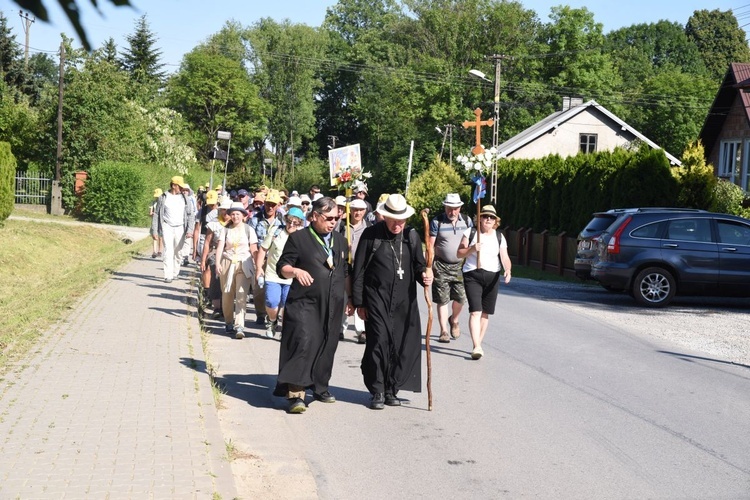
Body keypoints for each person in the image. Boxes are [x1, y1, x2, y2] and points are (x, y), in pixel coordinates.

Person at [352, 194, 433, 410]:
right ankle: (377, 389)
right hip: (376, 299)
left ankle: (391, 389)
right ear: (384, 217)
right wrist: (359, 302)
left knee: (400, 344)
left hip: (404, 302)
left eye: (402, 220)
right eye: (393, 220)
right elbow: (358, 270)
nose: (398, 225)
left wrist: (424, 275)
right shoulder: (371, 235)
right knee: (378, 342)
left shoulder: (411, 236)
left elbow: (418, 265)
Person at [273, 197, 352, 414]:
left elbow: (345, 272)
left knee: (327, 343)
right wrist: (296, 271)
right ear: (315, 216)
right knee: (303, 341)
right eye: (328, 218)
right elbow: (283, 266)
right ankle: (296, 394)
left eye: (336, 218)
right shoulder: (299, 238)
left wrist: (352, 298)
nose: (333, 222)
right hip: (305, 302)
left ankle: (320, 386)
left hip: (333, 302)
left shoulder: (340, 240)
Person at [456, 205, 512, 360]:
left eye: (492, 217)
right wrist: (472, 248)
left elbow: (505, 257)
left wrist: (508, 270)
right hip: (472, 274)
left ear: (496, 221)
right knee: (475, 311)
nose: (488, 219)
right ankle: (476, 345)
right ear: (479, 218)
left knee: (485, 313)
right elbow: (459, 253)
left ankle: (478, 344)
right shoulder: (470, 232)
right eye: (485, 216)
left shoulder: (499, 237)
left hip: (492, 276)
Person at [429, 193, 473, 343]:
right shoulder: (437, 221)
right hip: (441, 266)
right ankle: (444, 331)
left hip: (461, 266)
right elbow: (430, 245)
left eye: (455, 208)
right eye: (449, 208)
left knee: (461, 298)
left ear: (460, 208)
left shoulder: (467, 221)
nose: (452, 212)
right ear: (445, 207)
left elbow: (472, 243)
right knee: (442, 300)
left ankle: (454, 319)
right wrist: (428, 266)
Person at [255, 207, 306, 339]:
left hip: (292, 278)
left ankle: (286, 330)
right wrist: (259, 268)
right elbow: (262, 250)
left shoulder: (303, 237)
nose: (292, 225)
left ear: (300, 223)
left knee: (287, 305)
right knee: (272, 302)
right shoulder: (275, 232)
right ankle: (272, 321)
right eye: (289, 221)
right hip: (273, 274)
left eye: (296, 223)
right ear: (285, 220)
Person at [215, 202, 259, 339]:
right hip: (227, 263)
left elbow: (253, 248)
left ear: (243, 215)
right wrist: (217, 263)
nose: (235, 216)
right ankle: (228, 321)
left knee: (241, 294)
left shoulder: (248, 230)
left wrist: (257, 264)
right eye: (233, 214)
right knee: (227, 294)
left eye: (238, 214)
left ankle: (239, 325)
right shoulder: (226, 230)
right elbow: (220, 247)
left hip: (243, 263)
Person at [151, 175, 195, 283]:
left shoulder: (185, 198)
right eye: (180, 186)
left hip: (180, 227)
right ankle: (168, 275)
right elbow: (156, 214)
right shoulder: (163, 197)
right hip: (167, 226)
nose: (182, 188)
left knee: (178, 251)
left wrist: (190, 230)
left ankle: (175, 272)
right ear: (174, 185)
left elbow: (190, 215)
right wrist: (155, 230)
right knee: (168, 250)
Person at [249, 189, 284, 324]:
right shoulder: (255, 219)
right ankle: (260, 314)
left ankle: (273, 315)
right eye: (268, 204)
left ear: (278, 206)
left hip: (275, 258)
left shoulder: (282, 221)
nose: (270, 207)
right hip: (259, 257)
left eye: (273, 205)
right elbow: (251, 239)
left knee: (275, 287)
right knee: (259, 288)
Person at [339, 198, 371, 343]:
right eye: (355, 210)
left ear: (365, 211)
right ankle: (340, 329)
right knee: (343, 297)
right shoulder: (342, 226)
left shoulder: (369, 228)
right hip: (344, 265)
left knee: (359, 296)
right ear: (350, 210)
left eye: (360, 210)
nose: (357, 213)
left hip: (362, 267)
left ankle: (361, 330)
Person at [201, 196, 231, 319]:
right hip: (215, 253)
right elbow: (207, 242)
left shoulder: (235, 224)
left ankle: (227, 306)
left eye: (228, 210)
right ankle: (217, 307)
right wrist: (203, 260)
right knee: (216, 277)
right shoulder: (213, 224)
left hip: (230, 253)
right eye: (223, 209)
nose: (225, 213)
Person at [149, 188, 163, 259]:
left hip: (161, 220)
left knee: (160, 236)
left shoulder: (164, 202)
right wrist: (152, 213)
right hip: (155, 219)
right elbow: (150, 212)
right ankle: (154, 251)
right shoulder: (153, 203)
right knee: (154, 235)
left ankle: (160, 251)